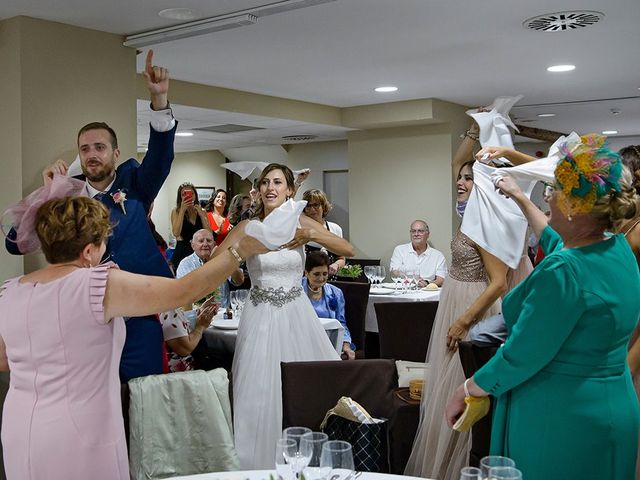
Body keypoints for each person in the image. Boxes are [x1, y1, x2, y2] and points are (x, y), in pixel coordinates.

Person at [0, 195, 266, 480]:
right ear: (89, 251)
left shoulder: (10, 290)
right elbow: (183, 291)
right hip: (81, 431)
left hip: (20, 426)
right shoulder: (96, 284)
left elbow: (4, 361)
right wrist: (239, 252)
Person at [446, 136, 640, 480]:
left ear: (573, 208)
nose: (547, 198)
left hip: (561, 414)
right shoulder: (617, 249)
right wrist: (520, 198)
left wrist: (469, 388)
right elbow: (555, 240)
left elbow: (523, 353)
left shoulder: (564, 270)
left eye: (552, 192)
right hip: (612, 405)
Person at [6, 51, 178, 383]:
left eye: (99, 147)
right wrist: (47, 195)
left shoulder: (137, 184)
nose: (91, 155)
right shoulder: (66, 195)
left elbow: (160, 157)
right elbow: (15, 244)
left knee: (143, 402)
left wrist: (159, 100)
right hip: (82, 319)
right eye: (85, 149)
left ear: (115, 153)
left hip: (136, 317)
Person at [215, 163, 354, 469]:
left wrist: (307, 234)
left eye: (278, 182)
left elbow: (348, 248)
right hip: (260, 315)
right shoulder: (247, 227)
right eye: (265, 182)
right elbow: (213, 262)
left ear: (290, 189)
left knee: (308, 387)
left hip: (296, 315)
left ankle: (307, 460)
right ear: (258, 189)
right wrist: (239, 261)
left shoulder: (299, 222)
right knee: (259, 390)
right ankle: (257, 462)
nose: (270, 188)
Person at [404, 120, 509, 480]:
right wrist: (474, 132)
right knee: (445, 387)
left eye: (469, 178)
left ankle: (460, 467)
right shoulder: (468, 216)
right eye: (461, 178)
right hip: (454, 298)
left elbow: (498, 283)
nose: (460, 182)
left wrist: (465, 320)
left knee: (460, 388)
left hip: (473, 307)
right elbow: (455, 164)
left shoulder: (487, 225)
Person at [302, 251, 355, 360]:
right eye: (316, 274)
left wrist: (346, 344)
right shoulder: (297, 291)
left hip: (329, 340)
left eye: (325, 274)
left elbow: (341, 323)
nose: (321, 278)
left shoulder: (336, 293)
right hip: (303, 340)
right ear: (306, 273)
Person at [176, 228, 244, 309]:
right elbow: (188, 291)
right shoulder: (185, 264)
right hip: (197, 313)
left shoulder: (222, 259)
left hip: (223, 313)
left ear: (214, 244)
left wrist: (230, 259)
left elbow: (239, 281)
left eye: (209, 241)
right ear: (193, 246)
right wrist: (210, 263)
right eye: (201, 241)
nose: (205, 244)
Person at [390, 219, 448, 287]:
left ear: (428, 234)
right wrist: (412, 279)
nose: (416, 234)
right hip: (404, 290)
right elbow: (394, 272)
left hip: (427, 292)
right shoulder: (399, 250)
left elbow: (442, 279)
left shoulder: (438, 255)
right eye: (413, 231)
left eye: (420, 231)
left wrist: (427, 283)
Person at [302, 189, 346, 275]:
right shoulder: (299, 230)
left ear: (324, 207)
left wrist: (336, 265)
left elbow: (341, 258)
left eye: (316, 205)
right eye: (308, 206)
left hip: (330, 281)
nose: (312, 209)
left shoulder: (335, 229)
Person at [170, 182, 210, 270]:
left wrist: (201, 215)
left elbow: (209, 234)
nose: (188, 196)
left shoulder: (202, 211)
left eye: (191, 193)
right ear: (180, 197)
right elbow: (176, 233)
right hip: (182, 252)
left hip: (199, 252)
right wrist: (182, 211)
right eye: (184, 194)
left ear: (195, 195)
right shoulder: (176, 211)